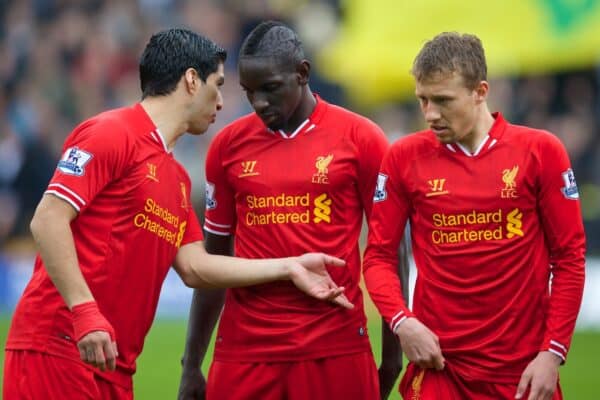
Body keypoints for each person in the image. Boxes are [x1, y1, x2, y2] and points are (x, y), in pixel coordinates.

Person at [2, 28, 354, 400]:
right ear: (191, 80)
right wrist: (84, 309)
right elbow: (47, 218)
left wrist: (288, 266)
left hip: (111, 362)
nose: (221, 101)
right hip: (59, 347)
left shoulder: (177, 179)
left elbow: (195, 267)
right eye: (217, 85)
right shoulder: (110, 133)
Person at [178, 20, 408, 400]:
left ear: (302, 74)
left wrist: (392, 356)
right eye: (250, 92)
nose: (260, 103)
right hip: (245, 349)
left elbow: (389, 250)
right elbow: (214, 261)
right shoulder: (227, 147)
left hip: (335, 345)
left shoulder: (361, 139)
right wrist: (191, 364)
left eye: (270, 89)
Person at [363, 32, 586, 400]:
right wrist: (404, 323)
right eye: (422, 100)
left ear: (480, 91)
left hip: (521, 374)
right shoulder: (403, 157)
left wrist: (553, 352)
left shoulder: (541, 151)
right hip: (439, 369)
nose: (430, 114)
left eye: (443, 100)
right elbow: (378, 257)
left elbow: (569, 259)